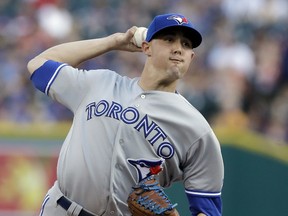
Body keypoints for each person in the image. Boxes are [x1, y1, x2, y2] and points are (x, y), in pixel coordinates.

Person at [27, 13, 224, 216]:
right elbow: (38, 65)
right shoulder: (100, 83)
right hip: (62, 209)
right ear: (146, 46)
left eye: (186, 44)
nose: (178, 48)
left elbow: (207, 209)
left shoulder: (197, 128)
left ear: (191, 57)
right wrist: (112, 42)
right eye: (168, 39)